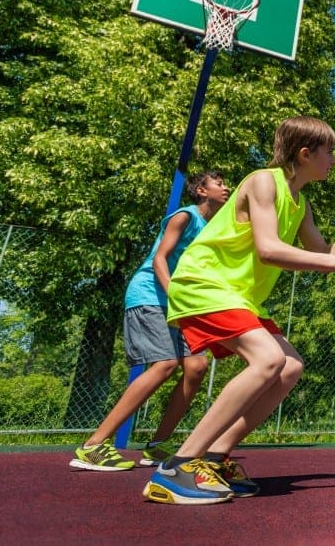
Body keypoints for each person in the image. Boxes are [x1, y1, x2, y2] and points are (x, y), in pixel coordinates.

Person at [142, 116, 335, 505]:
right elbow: (270, 249)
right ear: (305, 154)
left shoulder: (300, 203)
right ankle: (177, 466)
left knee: (290, 367)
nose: (334, 159)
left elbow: (322, 256)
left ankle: (217, 456)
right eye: (330, 151)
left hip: (236, 296)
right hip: (205, 284)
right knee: (269, 359)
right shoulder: (262, 181)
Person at [70, 171, 230, 472]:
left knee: (196, 367)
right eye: (218, 183)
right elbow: (160, 259)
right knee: (165, 364)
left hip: (178, 304)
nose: (226, 188)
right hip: (150, 296)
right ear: (200, 190)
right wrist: (174, 295)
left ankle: (158, 445)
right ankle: (94, 446)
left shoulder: (212, 228)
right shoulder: (184, 217)